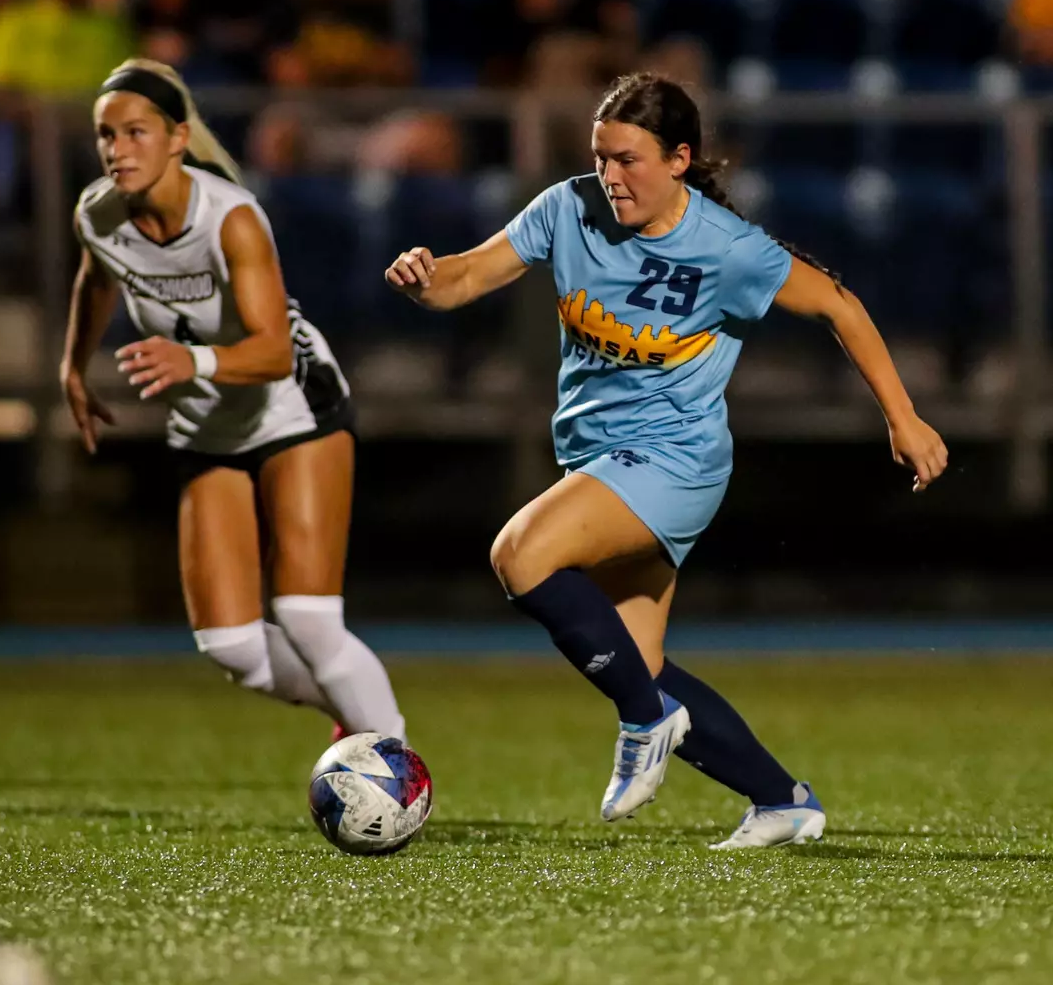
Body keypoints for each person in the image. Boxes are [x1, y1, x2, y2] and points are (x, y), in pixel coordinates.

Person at [385, 72, 948, 849]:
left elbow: (838, 305)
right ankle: (783, 800)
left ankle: (647, 721)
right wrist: (424, 278)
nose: (611, 176)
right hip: (599, 459)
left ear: (680, 159)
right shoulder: (569, 207)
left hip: (675, 461)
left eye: (629, 160)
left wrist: (904, 415)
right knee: (637, 662)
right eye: (601, 158)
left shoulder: (725, 247)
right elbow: (470, 274)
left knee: (521, 554)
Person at [61, 57, 405, 744]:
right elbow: (97, 276)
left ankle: (394, 762)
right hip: (209, 420)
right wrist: (73, 365)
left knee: (307, 617)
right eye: (107, 135)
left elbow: (274, 350)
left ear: (177, 139)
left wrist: (192, 360)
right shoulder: (99, 213)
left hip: (292, 407)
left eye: (136, 133)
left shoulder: (231, 219)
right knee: (232, 647)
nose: (117, 150)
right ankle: (354, 718)